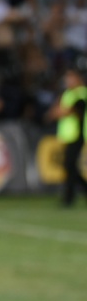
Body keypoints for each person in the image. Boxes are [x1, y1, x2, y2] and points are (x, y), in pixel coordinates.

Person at [47, 68, 87, 207]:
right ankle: (72, 196)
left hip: (79, 134)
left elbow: (74, 111)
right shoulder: (67, 94)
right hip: (69, 136)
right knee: (70, 166)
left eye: (70, 77)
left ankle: (68, 198)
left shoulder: (82, 93)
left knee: (70, 165)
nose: (67, 80)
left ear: (78, 78)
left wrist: (61, 112)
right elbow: (55, 112)